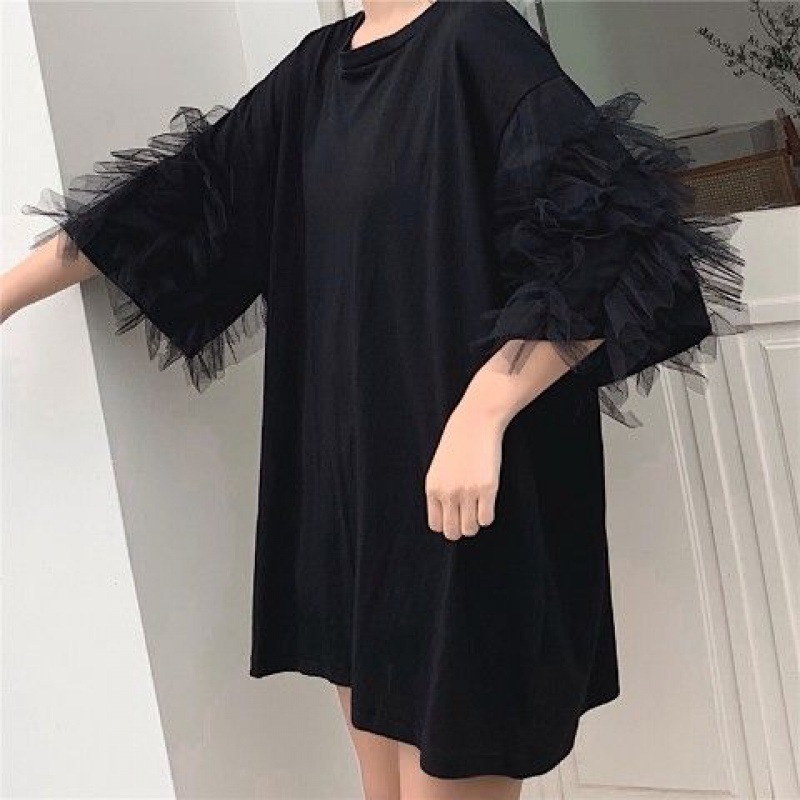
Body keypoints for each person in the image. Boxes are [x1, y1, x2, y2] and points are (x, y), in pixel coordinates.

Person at [2, 1, 748, 797]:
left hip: (461, 509)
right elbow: (179, 199)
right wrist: (6, 295)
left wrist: (485, 409)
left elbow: (619, 237)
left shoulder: (475, 39)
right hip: (359, 513)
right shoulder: (317, 71)